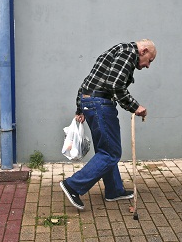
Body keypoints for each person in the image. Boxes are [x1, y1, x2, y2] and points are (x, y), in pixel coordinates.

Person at [60, 39, 157, 210]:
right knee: (111, 153)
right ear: (143, 51)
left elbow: (87, 81)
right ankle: (73, 185)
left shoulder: (118, 50)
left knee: (106, 150)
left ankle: (114, 190)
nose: (148, 66)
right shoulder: (128, 53)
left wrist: (80, 107)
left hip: (91, 102)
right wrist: (135, 107)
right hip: (100, 105)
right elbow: (115, 85)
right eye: (150, 60)